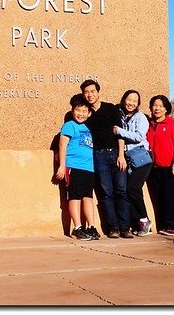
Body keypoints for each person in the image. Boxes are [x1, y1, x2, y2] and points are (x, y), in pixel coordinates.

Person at [79, 79, 130, 238]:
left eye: (92, 91)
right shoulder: (86, 113)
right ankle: (113, 227)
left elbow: (119, 133)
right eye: (86, 92)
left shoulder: (110, 109)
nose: (90, 95)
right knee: (106, 192)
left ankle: (125, 227)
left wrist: (121, 155)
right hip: (98, 155)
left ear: (98, 92)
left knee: (121, 190)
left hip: (115, 153)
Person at [54, 94, 100, 241]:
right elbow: (62, 145)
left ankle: (91, 226)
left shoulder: (88, 128)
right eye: (78, 110)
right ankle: (77, 227)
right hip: (73, 166)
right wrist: (62, 166)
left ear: (89, 113)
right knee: (75, 196)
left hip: (89, 168)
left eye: (84, 111)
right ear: (73, 110)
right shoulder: (69, 126)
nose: (81, 114)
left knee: (88, 197)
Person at [146, 94, 174, 236]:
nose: (157, 108)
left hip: (170, 167)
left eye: (160, 106)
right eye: (154, 105)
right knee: (160, 197)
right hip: (154, 168)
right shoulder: (150, 125)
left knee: (172, 197)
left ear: (166, 108)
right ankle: (163, 225)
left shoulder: (172, 124)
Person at [114, 90, 152, 236]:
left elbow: (139, 137)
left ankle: (144, 219)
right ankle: (139, 222)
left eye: (135, 101)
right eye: (129, 100)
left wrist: (119, 131)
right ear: (124, 100)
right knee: (129, 190)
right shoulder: (122, 116)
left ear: (138, 104)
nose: (131, 103)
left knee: (133, 188)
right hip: (129, 158)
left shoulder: (140, 117)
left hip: (141, 158)